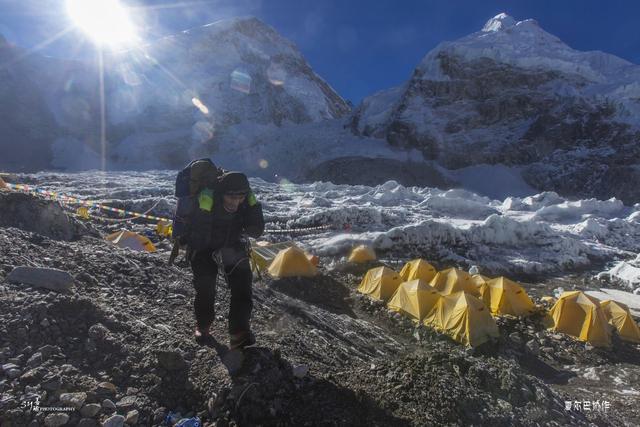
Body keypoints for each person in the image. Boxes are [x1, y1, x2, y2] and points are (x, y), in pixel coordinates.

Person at [189, 171, 264, 349]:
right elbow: (198, 239)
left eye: (241, 197)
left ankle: (239, 333)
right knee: (205, 287)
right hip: (203, 248)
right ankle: (203, 325)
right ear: (221, 193)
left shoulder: (246, 204)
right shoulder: (206, 204)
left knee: (243, 286)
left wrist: (254, 206)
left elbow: (256, 231)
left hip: (232, 245)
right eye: (231, 196)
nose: (236, 202)